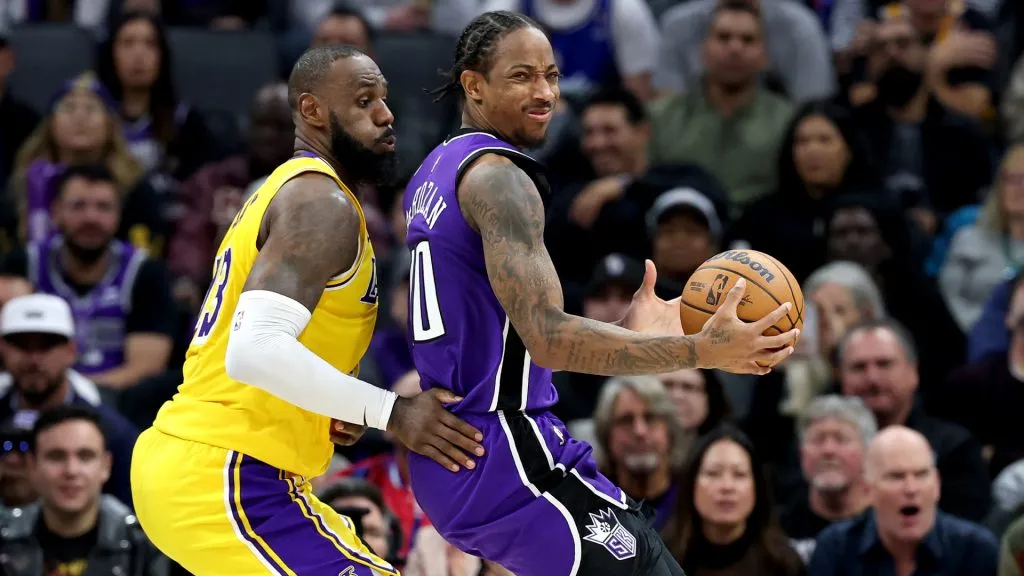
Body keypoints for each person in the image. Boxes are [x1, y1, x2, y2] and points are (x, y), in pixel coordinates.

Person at [403, 10, 799, 576]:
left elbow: (496, 333)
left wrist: (628, 336)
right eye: (521, 77)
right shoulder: (500, 180)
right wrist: (701, 353)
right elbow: (549, 343)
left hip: (461, 455)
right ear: (474, 85)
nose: (544, 93)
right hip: (504, 453)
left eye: (551, 75)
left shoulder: (432, 175)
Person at [129, 44, 487, 575]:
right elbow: (254, 352)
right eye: (365, 101)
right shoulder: (320, 204)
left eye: (384, 99)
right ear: (313, 111)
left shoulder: (305, 196)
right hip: (222, 468)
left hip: (238, 469)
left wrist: (323, 409)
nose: (385, 114)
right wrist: (393, 412)